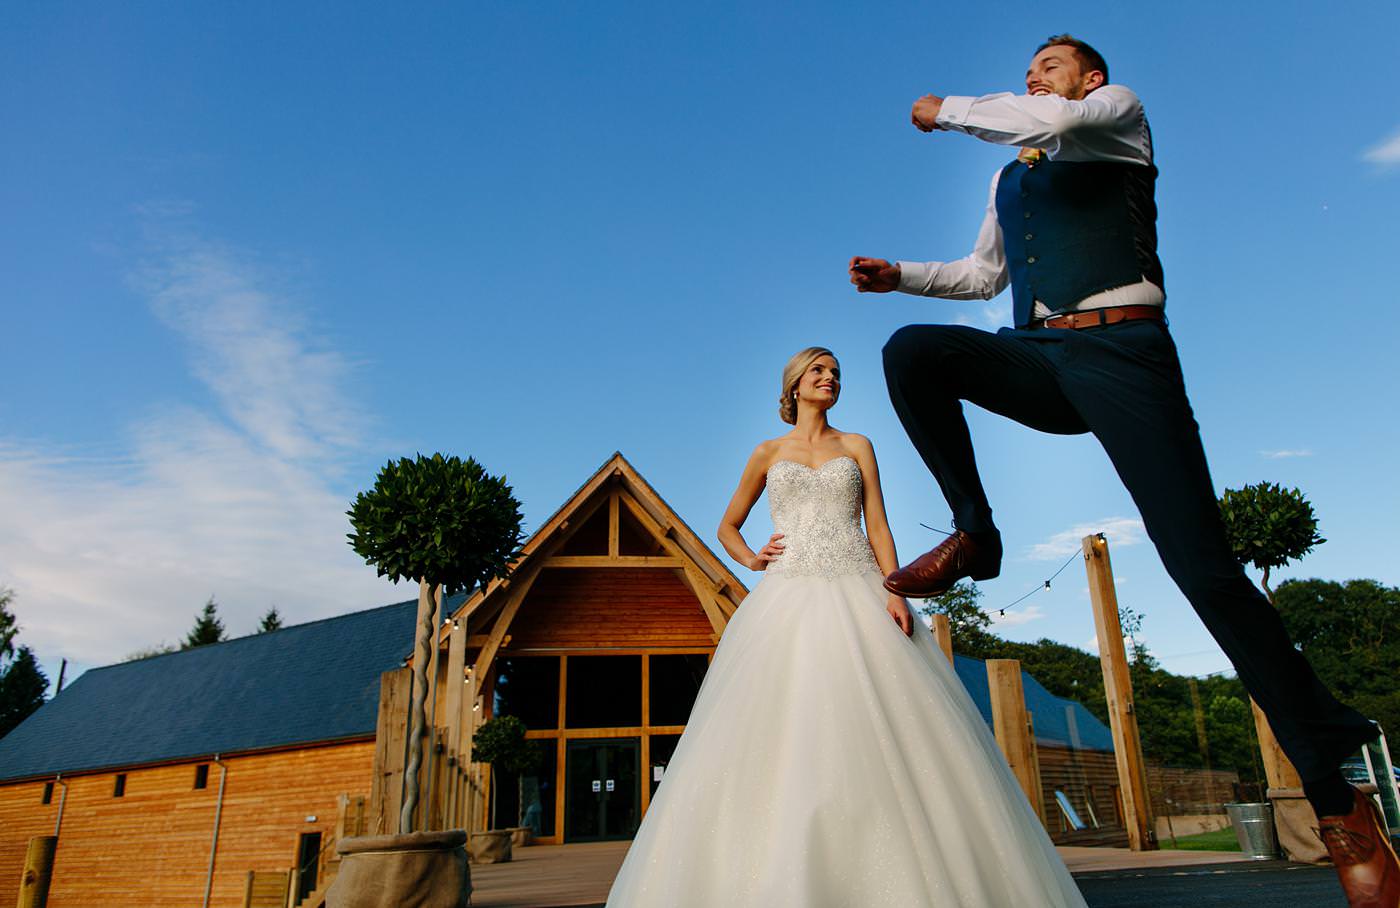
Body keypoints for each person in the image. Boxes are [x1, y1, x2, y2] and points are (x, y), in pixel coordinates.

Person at [849, 34, 1397, 907]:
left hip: (1125, 357)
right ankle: (976, 534)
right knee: (911, 351)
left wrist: (949, 111)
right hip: (1037, 356)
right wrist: (902, 277)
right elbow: (983, 274)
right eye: (1028, 69)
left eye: (1051, 66)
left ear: (1088, 79)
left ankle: (1339, 802)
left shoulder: (1115, 116)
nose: (1035, 76)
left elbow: (1051, 118)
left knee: (1204, 571)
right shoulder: (1013, 173)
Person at [605, 347, 1087, 907]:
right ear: (794, 385)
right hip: (787, 592)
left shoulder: (857, 446)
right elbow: (727, 525)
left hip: (860, 583)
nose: (830, 378)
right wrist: (753, 559)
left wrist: (896, 588)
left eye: (835, 373)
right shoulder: (767, 452)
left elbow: (877, 523)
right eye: (819, 371)